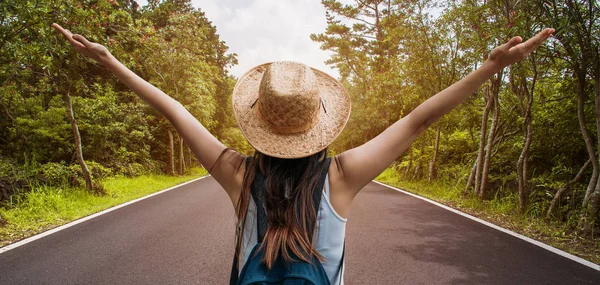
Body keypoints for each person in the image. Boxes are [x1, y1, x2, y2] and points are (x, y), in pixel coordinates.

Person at [52, 23, 554, 284]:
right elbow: (419, 120)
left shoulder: (237, 173)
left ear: (258, 123)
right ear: (319, 120)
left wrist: (110, 60)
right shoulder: (344, 175)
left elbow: (174, 111)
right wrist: (489, 67)